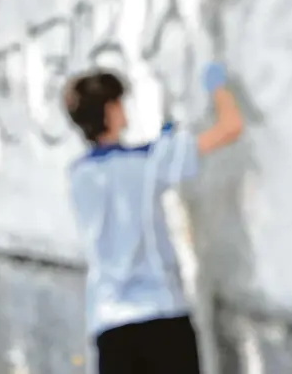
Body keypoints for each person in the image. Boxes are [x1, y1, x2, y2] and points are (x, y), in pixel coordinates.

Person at [65, 63, 243, 374]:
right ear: (109, 111)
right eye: (119, 103)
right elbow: (230, 127)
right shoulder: (150, 162)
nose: (124, 109)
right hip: (162, 315)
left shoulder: (78, 175)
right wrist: (218, 84)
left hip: (109, 322)